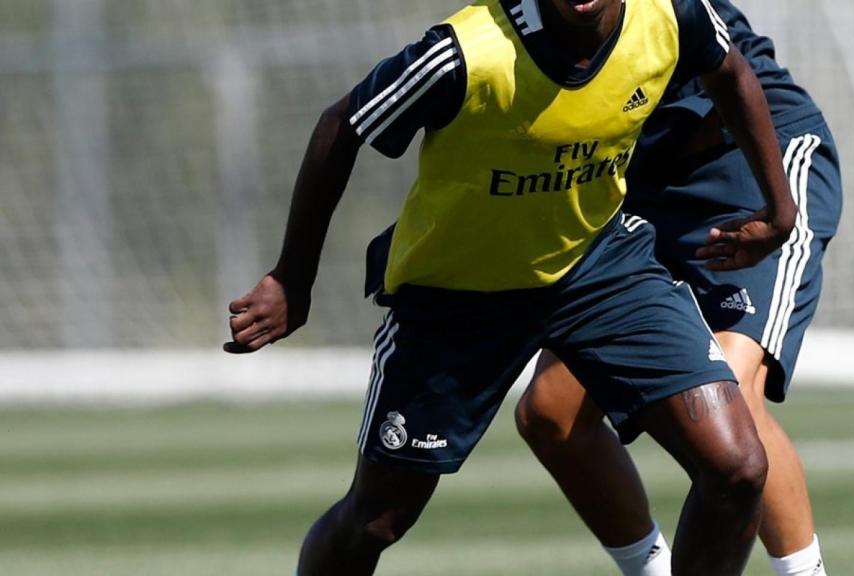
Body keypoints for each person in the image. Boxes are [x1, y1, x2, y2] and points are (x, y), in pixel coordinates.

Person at [224, 0, 798, 574]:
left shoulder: (671, 15)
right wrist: (290, 278)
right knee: (378, 518)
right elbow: (342, 125)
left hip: (598, 267)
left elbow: (732, 71)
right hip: (459, 296)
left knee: (738, 469)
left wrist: (779, 211)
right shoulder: (465, 52)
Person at [514, 1, 842, 575]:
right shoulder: (502, 23)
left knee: (732, 400)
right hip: (635, 183)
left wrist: (779, 213)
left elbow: (729, 77)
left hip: (747, 156)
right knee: (550, 413)